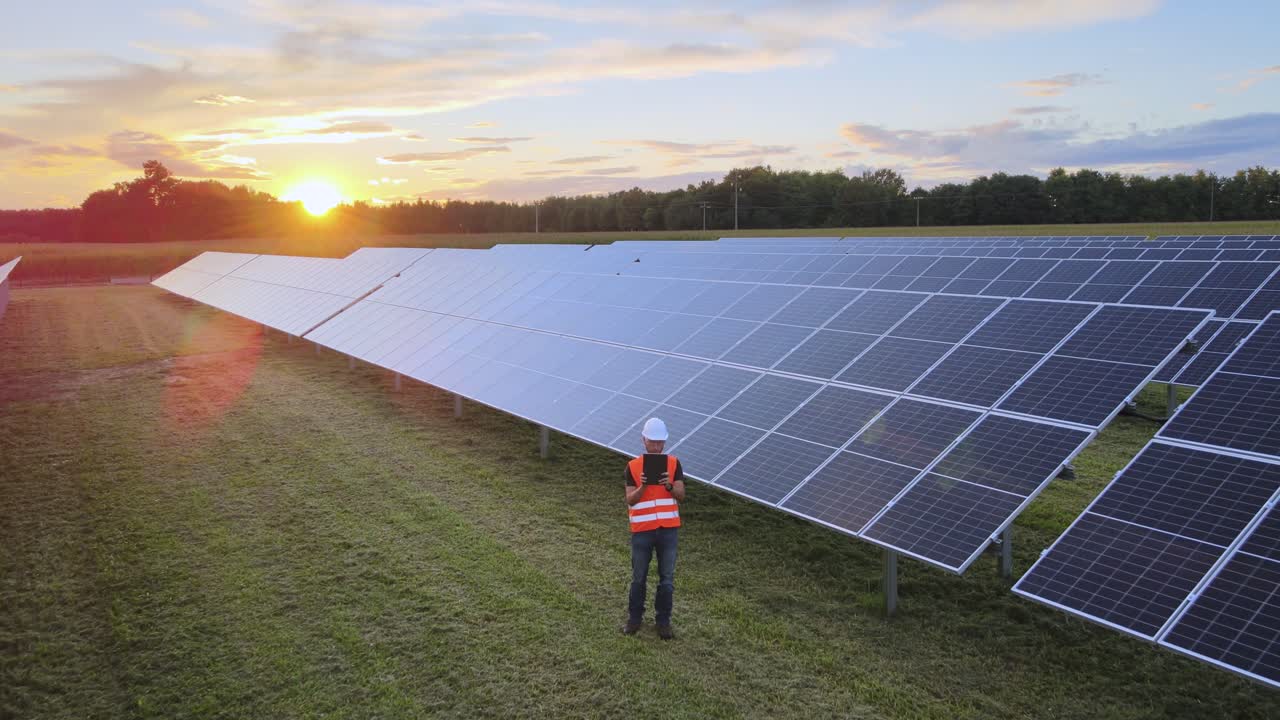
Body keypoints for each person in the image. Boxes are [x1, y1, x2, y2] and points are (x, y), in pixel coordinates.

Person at [622, 417, 686, 640]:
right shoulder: (632, 466)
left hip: (668, 530)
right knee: (639, 576)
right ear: (644, 440)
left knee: (666, 578)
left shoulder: (674, 463)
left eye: (661, 442)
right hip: (643, 530)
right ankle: (634, 619)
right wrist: (644, 486)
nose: (657, 446)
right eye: (653, 442)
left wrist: (668, 485)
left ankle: (663, 622)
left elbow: (681, 494)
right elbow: (630, 500)